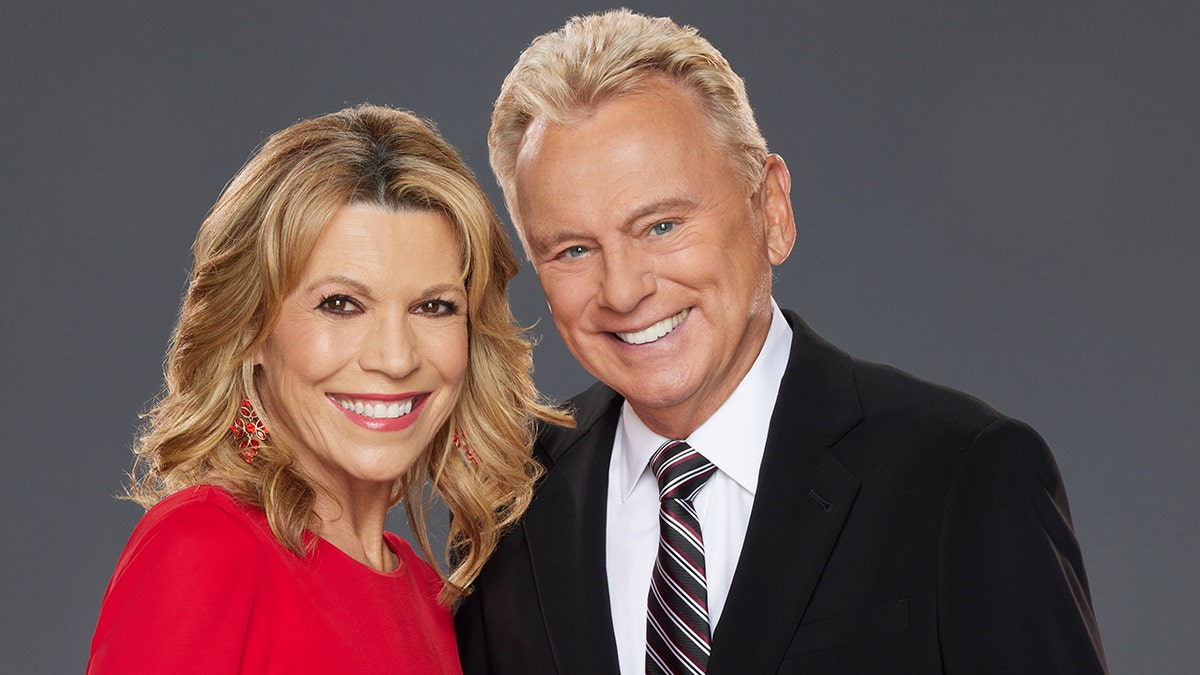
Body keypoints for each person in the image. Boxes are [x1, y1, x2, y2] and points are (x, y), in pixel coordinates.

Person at [455, 10, 1107, 674]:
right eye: (572, 248)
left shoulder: (960, 476)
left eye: (662, 226)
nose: (622, 290)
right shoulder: (507, 505)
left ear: (772, 211)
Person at [88, 104, 570, 673]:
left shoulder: (429, 600)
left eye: (433, 306)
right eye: (341, 304)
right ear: (250, 330)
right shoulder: (202, 550)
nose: (395, 358)